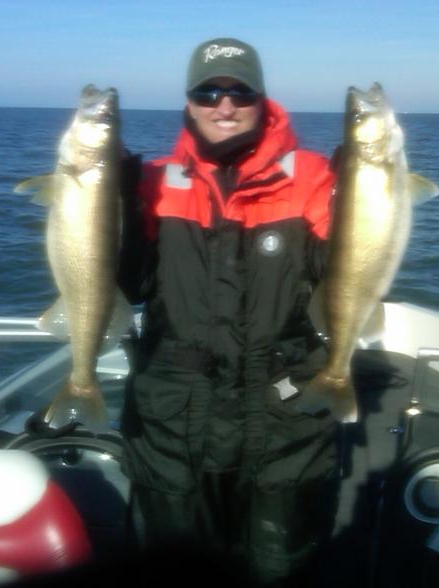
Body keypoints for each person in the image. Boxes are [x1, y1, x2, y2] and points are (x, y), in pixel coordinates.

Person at [117, 37, 339, 586]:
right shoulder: (153, 182)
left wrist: (363, 195)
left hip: (284, 419)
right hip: (172, 423)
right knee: (176, 571)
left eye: (240, 92)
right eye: (208, 92)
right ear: (189, 103)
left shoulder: (313, 176)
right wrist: (115, 200)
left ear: (262, 100)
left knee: (281, 569)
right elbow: (129, 285)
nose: (224, 105)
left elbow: (341, 274)